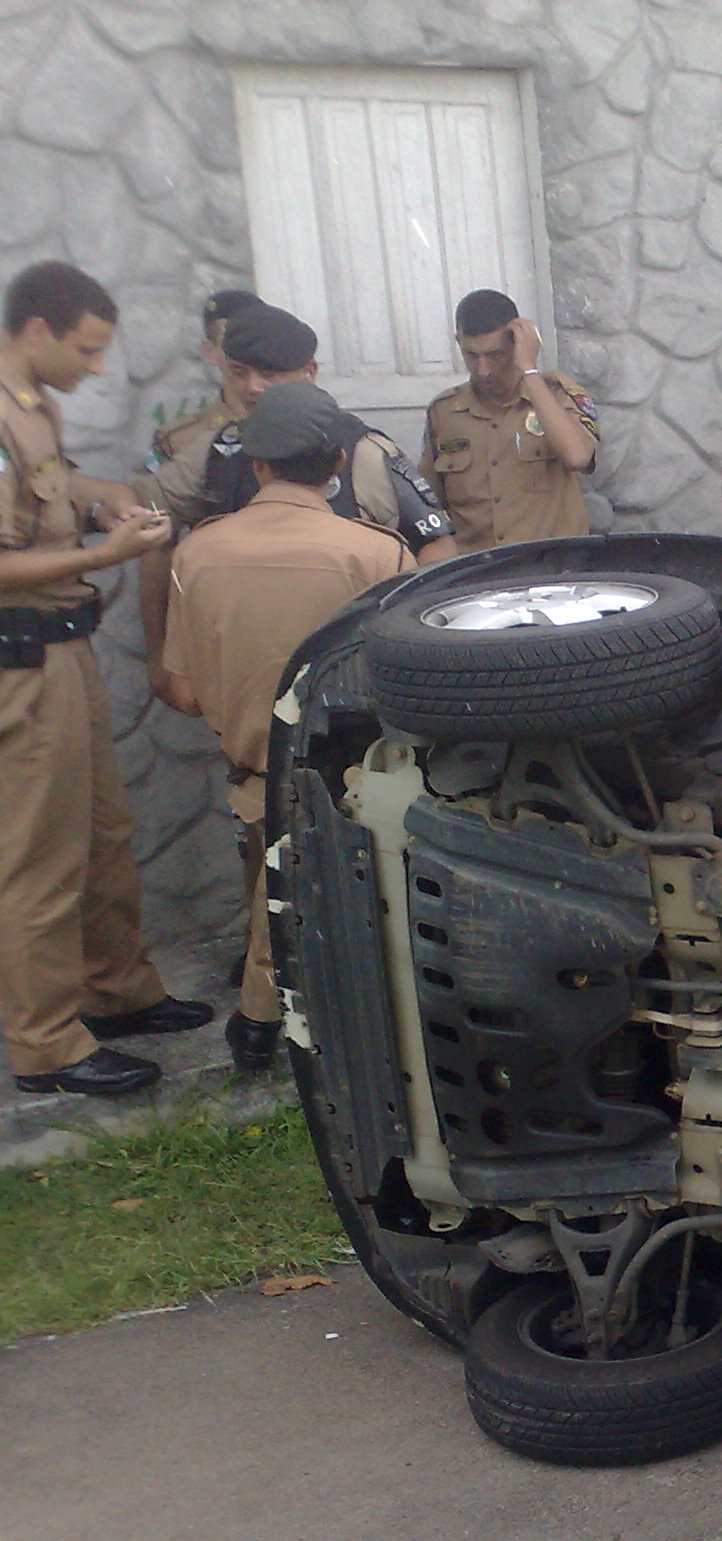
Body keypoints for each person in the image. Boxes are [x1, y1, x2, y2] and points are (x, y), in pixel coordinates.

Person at [0, 262, 208, 1098]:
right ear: (38, 330)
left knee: (103, 831)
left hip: (63, 649)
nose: (95, 368)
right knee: (41, 856)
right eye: (86, 351)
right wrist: (105, 554)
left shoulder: (30, 407)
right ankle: (46, 1043)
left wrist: (104, 501)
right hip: (20, 661)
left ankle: (114, 991)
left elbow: (48, 492)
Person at [160, 382, 411, 1072]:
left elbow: (181, 690)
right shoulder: (376, 553)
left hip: (252, 777)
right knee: (356, 908)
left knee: (277, 893)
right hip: (354, 783)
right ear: (335, 464)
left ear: (258, 464)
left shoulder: (197, 554)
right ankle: (283, 1023)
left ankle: (259, 1023)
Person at [158, 302, 457, 568]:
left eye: (268, 375)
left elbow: (434, 545)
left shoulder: (363, 453)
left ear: (309, 372)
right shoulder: (220, 448)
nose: (252, 387)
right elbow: (148, 513)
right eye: (239, 373)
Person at [134, 288, 261, 654]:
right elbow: (155, 547)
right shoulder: (179, 440)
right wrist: (158, 651)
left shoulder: (314, 430)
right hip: (217, 619)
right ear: (211, 352)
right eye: (232, 343)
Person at [421, 289, 598, 551]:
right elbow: (430, 505)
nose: (483, 370)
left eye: (495, 355)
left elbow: (577, 456)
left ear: (516, 343)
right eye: (472, 355)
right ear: (458, 342)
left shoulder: (557, 395)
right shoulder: (445, 411)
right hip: (479, 574)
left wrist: (528, 367)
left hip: (551, 571)